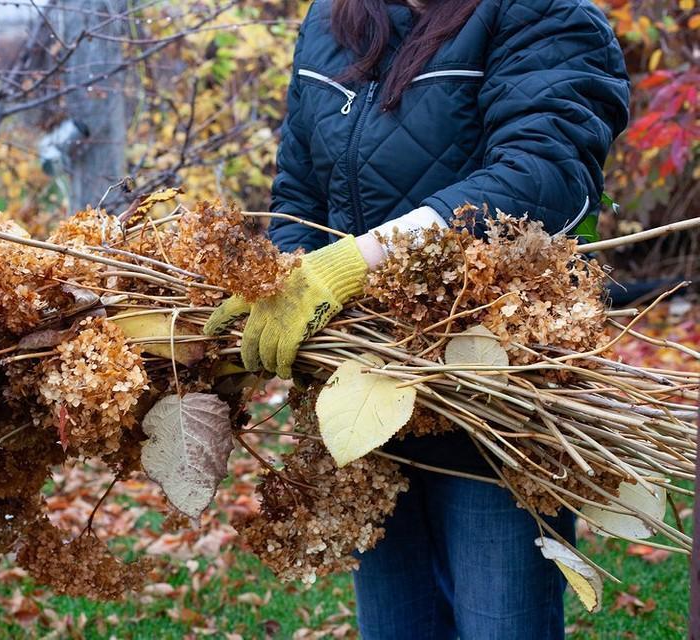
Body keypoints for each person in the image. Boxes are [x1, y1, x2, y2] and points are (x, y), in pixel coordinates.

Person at [204, 0, 630, 638]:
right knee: (396, 624)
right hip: (361, 386)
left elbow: (542, 176)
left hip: (491, 389)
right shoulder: (331, 22)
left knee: (500, 623)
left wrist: (356, 263)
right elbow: (298, 188)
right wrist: (288, 281)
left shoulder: (544, 13)